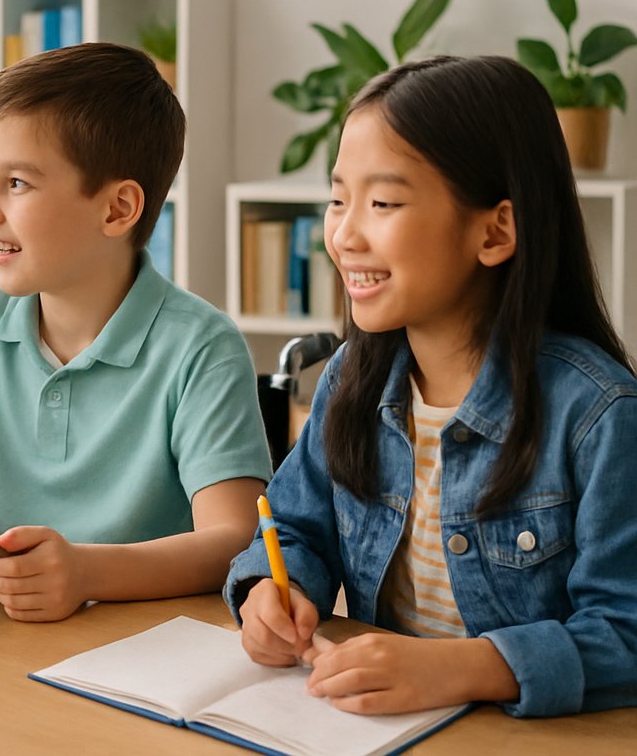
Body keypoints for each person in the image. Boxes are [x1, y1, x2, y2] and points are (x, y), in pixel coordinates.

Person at [226, 55, 637, 718]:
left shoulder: (597, 415)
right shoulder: (350, 380)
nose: (344, 235)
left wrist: (467, 668)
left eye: (383, 203)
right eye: (338, 199)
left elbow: (626, 631)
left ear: (495, 231)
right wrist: (273, 594)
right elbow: (293, 528)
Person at [0, 43, 272, 622]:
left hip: (141, 643)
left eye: (17, 183)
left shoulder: (203, 350)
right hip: (6, 630)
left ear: (117, 210)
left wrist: (86, 572)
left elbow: (234, 540)